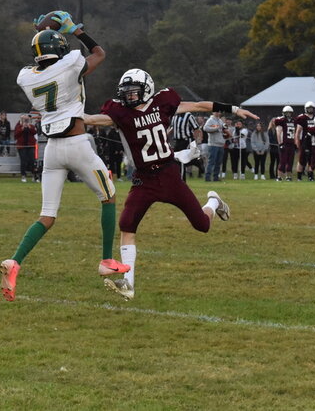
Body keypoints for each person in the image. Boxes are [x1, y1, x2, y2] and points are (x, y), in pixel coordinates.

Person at [84, 68, 258, 300]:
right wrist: (70, 116)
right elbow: (95, 119)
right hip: (144, 179)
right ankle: (128, 284)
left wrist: (234, 109)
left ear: (146, 90)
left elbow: (199, 106)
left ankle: (214, 201)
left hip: (169, 174)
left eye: (134, 93)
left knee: (202, 225)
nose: (129, 97)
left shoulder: (163, 102)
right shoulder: (121, 113)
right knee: (127, 224)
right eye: (126, 93)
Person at [0, 11, 129, 302]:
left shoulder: (25, 78)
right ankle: (107, 260)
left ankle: (15, 261)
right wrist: (75, 30)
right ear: (60, 49)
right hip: (78, 144)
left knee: (47, 215)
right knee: (108, 197)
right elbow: (98, 53)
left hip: (53, 150)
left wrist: (40, 33)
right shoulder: (71, 63)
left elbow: (42, 60)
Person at [171, 110, 200, 180]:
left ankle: (181, 180)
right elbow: (173, 128)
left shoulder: (188, 115)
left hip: (186, 140)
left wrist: (195, 141)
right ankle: (198, 162)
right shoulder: (174, 116)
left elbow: (196, 128)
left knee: (181, 160)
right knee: (174, 159)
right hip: (177, 141)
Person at [294, 101, 315, 181]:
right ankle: (299, 177)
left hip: (314, 142)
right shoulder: (302, 118)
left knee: (312, 160)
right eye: (309, 108)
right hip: (304, 142)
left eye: (311, 108)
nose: (310, 110)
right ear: (306, 109)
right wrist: (297, 142)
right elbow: (298, 132)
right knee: (301, 160)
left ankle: (310, 176)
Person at [273, 106, 296, 181]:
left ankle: (288, 177)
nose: (288, 114)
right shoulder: (281, 120)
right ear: (284, 113)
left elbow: (294, 132)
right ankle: (279, 177)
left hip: (291, 143)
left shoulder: (293, 121)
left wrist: (295, 142)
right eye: (287, 113)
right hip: (284, 143)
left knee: (290, 161)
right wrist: (280, 143)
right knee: (283, 161)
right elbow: (278, 132)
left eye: (290, 113)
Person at [14, 114, 37, 183]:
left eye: (27, 119)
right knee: (23, 161)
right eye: (24, 119)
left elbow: (35, 132)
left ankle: (34, 176)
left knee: (32, 161)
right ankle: (23, 176)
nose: (26, 121)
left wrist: (29, 127)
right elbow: (16, 135)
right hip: (22, 146)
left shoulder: (31, 126)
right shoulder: (18, 126)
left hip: (31, 146)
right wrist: (22, 128)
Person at [203, 112, 225, 182]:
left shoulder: (220, 120)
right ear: (213, 112)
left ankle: (216, 177)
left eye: (219, 111)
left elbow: (222, 129)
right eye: (217, 111)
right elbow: (205, 128)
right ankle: (207, 177)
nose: (218, 113)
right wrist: (216, 128)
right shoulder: (210, 120)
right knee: (211, 162)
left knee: (218, 162)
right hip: (213, 144)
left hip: (220, 144)